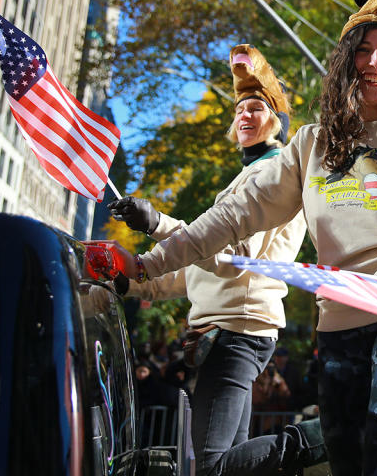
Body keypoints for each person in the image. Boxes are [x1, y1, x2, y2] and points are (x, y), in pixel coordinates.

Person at [94, 0, 377, 476]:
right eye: (364, 51)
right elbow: (231, 218)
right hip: (341, 320)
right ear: (345, 62)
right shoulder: (311, 146)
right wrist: (146, 265)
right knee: (347, 458)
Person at [107, 44, 323, 476]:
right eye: (240, 108)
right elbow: (197, 272)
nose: (245, 114)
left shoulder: (271, 174)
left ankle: (320, 437)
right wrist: (131, 279)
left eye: (258, 107)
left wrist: (159, 225)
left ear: (278, 123)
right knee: (229, 463)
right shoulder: (247, 176)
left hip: (235, 331)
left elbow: (232, 260)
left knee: (211, 467)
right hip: (227, 330)